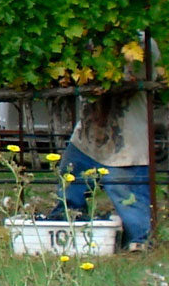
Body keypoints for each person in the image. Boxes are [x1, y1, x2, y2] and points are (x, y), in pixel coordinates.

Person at [44, 37, 160, 251]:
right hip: (89, 135)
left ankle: (139, 242)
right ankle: (67, 230)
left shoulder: (142, 43)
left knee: (127, 194)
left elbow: (131, 82)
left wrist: (101, 79)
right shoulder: (92, 37)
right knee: (70, 178)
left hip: (126, 139)